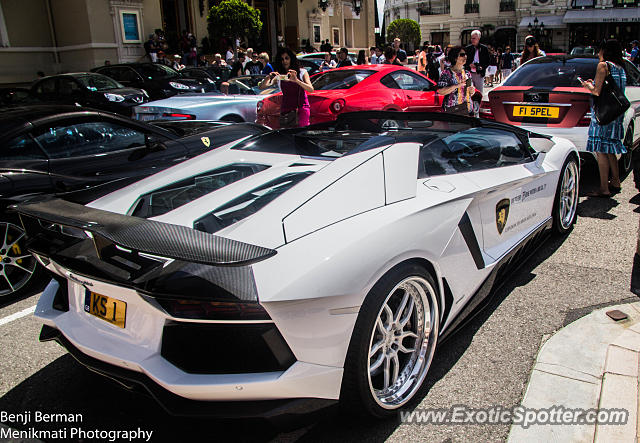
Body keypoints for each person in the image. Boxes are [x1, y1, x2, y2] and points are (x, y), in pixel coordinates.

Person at [579, 39, 627, 197]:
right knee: (610, 149)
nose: (598, 53)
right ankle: (615, 181)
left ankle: (603, 188)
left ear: (605, 51)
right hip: (615, 113)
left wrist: (588, 86)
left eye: (600, 50)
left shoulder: (603, 66)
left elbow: (597, 92)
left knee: (600, 151)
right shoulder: (620, 67)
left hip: (603, 114)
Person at [259, 47, 314, 128]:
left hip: (301, 109)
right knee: (287, 136)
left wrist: (296, 81)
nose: (284, 61)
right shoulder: (280, 76)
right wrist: (268, 77)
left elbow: (311, 89)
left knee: (301, 133)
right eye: (282, 59)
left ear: (291, 59)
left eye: (287, 58)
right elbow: (262, 87)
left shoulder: (302, 72)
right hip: (286, 110)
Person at [437, 46, 475, 116]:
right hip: (452, 111)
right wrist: (457, 86)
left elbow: (471, 93)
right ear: (455, 58)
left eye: (465, 54)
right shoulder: (447, 73)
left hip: (467, 110)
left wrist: (472, 90)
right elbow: (441, 91)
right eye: (462, 55)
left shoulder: (467, 73)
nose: (465, 56)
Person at [465, 30, 490, 117]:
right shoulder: (468, 48)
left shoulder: (484, 48)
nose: (472, 40)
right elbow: (465, 60)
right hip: (470, 73)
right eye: (471, 38)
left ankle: (478, 110)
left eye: (474, 38)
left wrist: (481, 66)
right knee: (469, 92)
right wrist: (469, 64)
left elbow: (487, 61)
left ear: (479, 38)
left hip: (479, 74)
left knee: (479, 93)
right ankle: (470, 109)